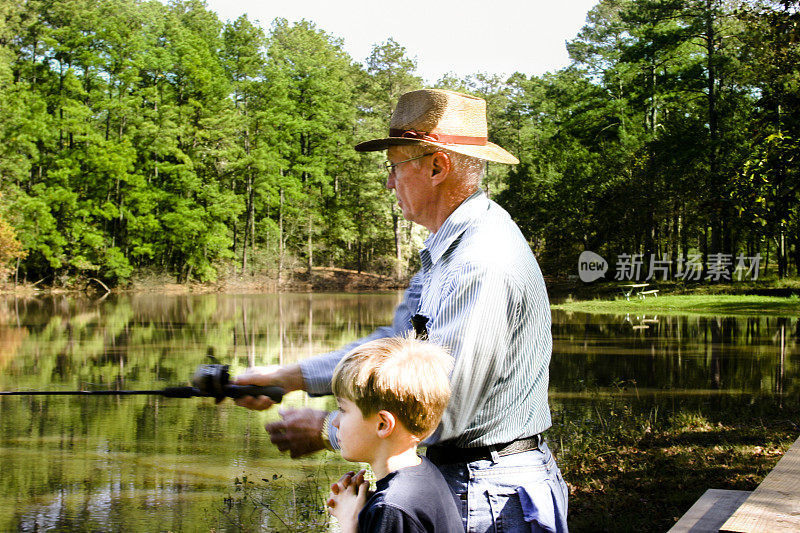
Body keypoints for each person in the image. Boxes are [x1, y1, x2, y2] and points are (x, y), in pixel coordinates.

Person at [234, 88, 569, 532]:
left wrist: (327, 430)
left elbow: (441, 410)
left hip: (491, 494)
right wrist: (287, 378)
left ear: (437, 167)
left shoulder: (481, 263)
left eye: (394, 168)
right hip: (470, 481)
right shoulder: (447, 252)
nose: (389, 183)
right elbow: (389, 353)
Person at [325, 335, 463, 533]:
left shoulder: (392, 508)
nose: (335, 422)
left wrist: (349, 521)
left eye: (343, 409)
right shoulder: (425, 473)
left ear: (383, 424)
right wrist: (367, 512)